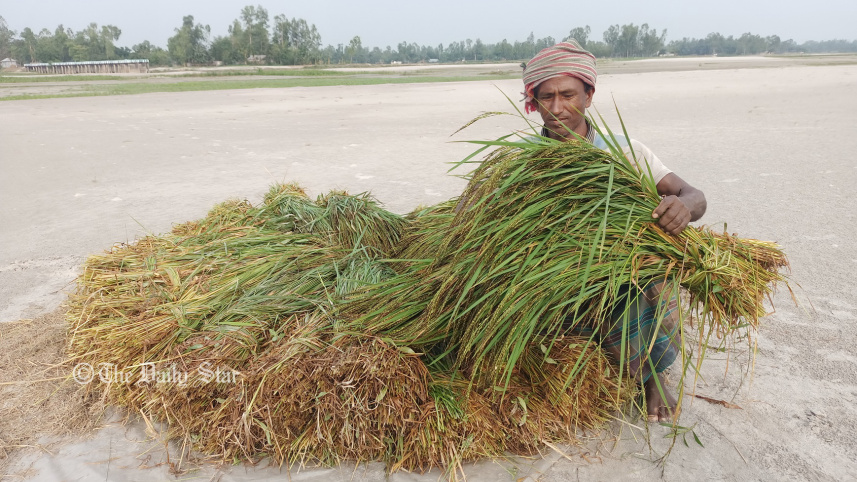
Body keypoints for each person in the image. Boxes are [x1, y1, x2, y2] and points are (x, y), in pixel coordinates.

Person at [522, 40, 707, 422]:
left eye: (568, 95)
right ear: (534, 101)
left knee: (649, 270)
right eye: (546, 97)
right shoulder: (519, 159)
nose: (557, 109)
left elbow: (694, 195)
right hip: (552, 280)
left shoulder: (626, 152)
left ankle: (652, 374)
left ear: (589, 95)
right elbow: (472, 211)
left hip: (617, 278)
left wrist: (683, 207)